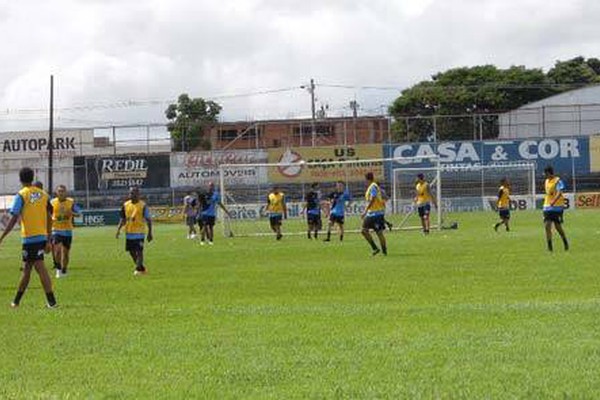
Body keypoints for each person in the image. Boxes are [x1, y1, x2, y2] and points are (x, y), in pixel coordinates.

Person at [0, 167, 58, 308]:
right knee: (28, 269)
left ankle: (52, 302)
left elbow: (14, 218)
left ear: (20, 179)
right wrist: (49, 238)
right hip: (41, 236)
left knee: (39, 268)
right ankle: (16, 302)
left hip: (30, 237)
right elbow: (51, 216)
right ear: (32, 178)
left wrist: (2, 236)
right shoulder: (44, 195)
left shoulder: (22, 195)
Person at [116, 186, 153, 275]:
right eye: (131, 193)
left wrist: (150, 233)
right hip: (129, 232)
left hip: (139, 232)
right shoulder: (125, 205)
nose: (132, 195)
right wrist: (118, 230)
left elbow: (148, 219)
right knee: (131, 252)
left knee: (139, 251)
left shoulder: (143, 205)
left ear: (138, 194)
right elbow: (123, 219)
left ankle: (137, 269)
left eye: (134, 193)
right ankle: (141, 268)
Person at [50, 185, 82, 278]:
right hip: (56, 230)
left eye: (63, 191)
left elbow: (79, 214)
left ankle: (64, 270)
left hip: (67, 230)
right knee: (57, 251)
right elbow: (47, 214)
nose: (61, 193)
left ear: (66, 192)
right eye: (59, 191)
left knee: (66, 253)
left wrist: (72, 213)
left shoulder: (71, 202)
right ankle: (58, 269)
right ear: (56, 192)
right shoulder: (52, 203)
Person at [543, 166, 569, 252]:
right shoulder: (546, 181)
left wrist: (554, 201)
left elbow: (560, 192)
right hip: (547, 207)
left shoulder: (558, 181)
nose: (545, 175)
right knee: (547, 226)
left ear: (550, 173)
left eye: (546, 173)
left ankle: (565, 241)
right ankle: (550, 247)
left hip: (557, 207)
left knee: (558, 227)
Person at [361, 172, 387, 256]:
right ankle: (378, 249)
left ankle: (381, 250)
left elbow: (373, 199)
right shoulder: (373, 186)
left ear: (367, 179)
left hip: (376, 213)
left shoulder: (373, 187)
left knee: (376, 232)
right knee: (365, 231)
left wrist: (365, 210)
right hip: (373, 213)